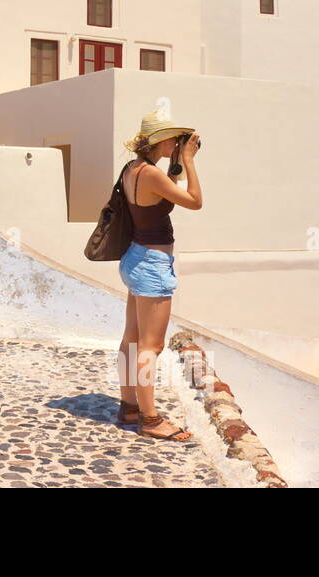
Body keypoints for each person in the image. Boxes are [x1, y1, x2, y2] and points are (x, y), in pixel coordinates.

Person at [113, 111, 203, 442]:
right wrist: (190, 162)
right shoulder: (150, 174)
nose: (176, 144)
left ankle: (130, 406)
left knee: (132, 340)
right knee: (151, 345)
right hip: (152, 264)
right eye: (173, 139)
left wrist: (176, 162)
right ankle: (150, 419)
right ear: (160, 141)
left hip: (136, 258)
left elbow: (164, 195)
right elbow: (195, 202)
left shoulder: (133, 169)